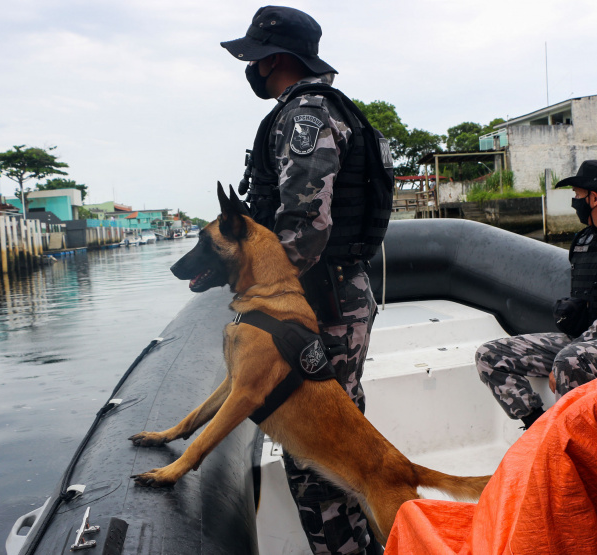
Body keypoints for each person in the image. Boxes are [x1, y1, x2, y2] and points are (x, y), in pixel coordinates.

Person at [221, 6, 392, 555]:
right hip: (340, 294)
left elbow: (304, 230)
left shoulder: (306, 116)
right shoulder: (332, 110)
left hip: (321, 302)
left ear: (273, 58)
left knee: (318, 456)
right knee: (344, 438)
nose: (251, 68)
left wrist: (259, 292)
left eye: (254, 58)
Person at [475, 160, 597, 429]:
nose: (575, 202)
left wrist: (573, 347)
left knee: (570, 360)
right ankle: (537, 429)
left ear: (594, 198)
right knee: (491, 355)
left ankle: (574, 443)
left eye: (577, 195)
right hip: (588, 340)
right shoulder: (591, 237)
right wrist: (575, 342)